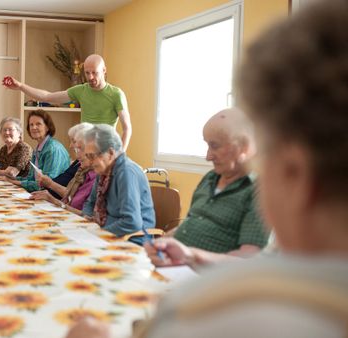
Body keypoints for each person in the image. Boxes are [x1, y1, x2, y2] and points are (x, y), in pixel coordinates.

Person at [67, 1, 348, 337]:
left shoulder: (224, 313)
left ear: (294, 174)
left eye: (267, 154)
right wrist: (174, 245)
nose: (206, 156)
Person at [149, 108, 269, 267]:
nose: (208, 156)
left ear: (244, 147)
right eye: (207, 145)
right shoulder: (210, 178)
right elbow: (192, 223)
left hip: (212, 284)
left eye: (215, 146)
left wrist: (191, 256)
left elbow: (248, 259)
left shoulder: (259, 192)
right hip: (177, 268)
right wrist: (164, 242)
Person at [4, 54, 132, 151]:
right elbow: (47, 97)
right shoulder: (81, 90)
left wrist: (120, 155)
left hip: (106, 150)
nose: (91, 77)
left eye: (95, 73)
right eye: (87, 73)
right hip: (85, 150)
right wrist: (21, 86)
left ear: (104, 70)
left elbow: (127, 128)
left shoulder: (116, 94)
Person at [81, 124, 155, 244]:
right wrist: (86, 216)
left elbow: (132, 222)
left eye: (92, 156)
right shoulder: (104, 170)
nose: (89, 162)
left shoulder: (126, 172)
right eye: (87, 156)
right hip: (106, 233)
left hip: (131, 240)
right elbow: (90, 202)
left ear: (110, 153)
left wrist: (99, 233)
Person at [30, 123, 96, 214]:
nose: (71, 146)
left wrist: (52, 195)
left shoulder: (95, 175)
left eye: (79, 147)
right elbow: (69, 197)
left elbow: (88, 215)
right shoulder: (81, 168)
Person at [0, 110, 70, 192]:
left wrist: (13, 181)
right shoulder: (38, 148)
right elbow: (30, 178)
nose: (34, 127)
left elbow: (47, 184)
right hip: (40, 193)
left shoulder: (53, 149)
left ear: (47, 127)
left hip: (52, 197)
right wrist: (9, 179)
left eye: (38, 124)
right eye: (31, 125)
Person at [38, 122, 93, 199]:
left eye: (74, 141)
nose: (70, 146)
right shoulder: (79, 162)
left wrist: (50, 184)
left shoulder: (88, 167)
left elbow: (74, 198)